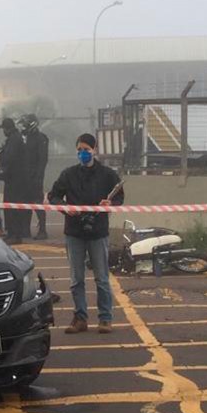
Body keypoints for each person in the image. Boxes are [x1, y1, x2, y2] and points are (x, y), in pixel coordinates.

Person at [47, 133, 123, 335]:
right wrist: (64, 207)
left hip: (98, 232)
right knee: (76, 279)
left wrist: (110, 204)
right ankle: (80, 318)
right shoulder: (68, 174)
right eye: (79, 150)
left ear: (94, 150)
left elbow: (120, 198)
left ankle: (105, 319)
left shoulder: (107, 174)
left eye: (86, 150)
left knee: (102, 279)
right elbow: (53, 196)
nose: (83, 153)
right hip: (74, 232)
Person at [0, 117, 32, 244]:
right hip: (13, 178)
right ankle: (12, 232)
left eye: (4, 129)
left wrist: (1, 169)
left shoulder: (14, 139)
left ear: (7, 128)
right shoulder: (14, 138)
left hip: (15, 179)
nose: (3, 131)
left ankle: (15, 234)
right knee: (9, 206)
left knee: (13, 207)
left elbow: (9, 158)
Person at [21, 114, 51, 240]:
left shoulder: (41, 138)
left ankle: (42, 230)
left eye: (26, 124)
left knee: (37, 203)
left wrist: (38, 176)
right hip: (24, 175)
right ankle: (25, 230)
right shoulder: (25, 138)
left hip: (35, 176)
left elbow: (43, 159)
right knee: (26, 203)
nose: (23, 127)